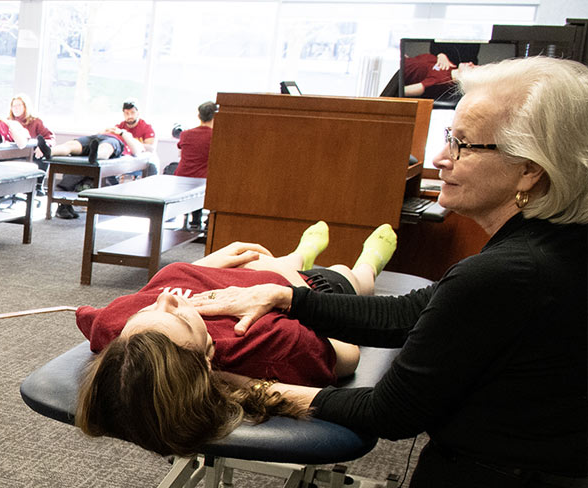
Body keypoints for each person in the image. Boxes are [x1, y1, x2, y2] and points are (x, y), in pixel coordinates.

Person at [192, 57, 588, 487]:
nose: (441, 157)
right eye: (449, 138)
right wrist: (286, 299)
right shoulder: (554, 244)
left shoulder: (510, 273)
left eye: (462, 145)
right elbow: (411, 313)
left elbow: (390, 412)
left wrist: (239, 385)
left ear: (530, 169)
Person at [75, 220, 398, 456]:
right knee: (349, 275)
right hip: (303, 290)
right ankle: (367, 261)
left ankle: (301, 252)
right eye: (179, 317)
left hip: (225, 271)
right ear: (208, 355)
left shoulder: (112, 327)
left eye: (143, 315)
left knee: (273, 258)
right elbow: (348, 353)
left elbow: (153, 292)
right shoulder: (272, 345)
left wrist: (196, 266)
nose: (165, 300)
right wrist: (282, 284)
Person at [36, 100, 150, 219]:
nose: (129, 116)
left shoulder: (127, 134)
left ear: (138, 113)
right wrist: (105, 131)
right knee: (72, 145)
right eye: (126, 113)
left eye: (132, 113)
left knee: (105, 147)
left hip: (113, 141)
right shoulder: (117, 126)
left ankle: (96, 154)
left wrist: (122, 133)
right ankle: (50, 151)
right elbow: (100, 134)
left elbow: (138, 150)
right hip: (97, 137)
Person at [174, 100, 217, 229]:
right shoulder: (216, 135)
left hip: (181, 177)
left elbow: (180, 155)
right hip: (204, 179)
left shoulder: (185, 134)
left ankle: (195, 219)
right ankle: (208, 221)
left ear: (199, 116)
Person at [9, 93, 55, 196]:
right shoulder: (9, 121)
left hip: (32, 153)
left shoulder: (36, 121)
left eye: (19, 105)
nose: (15, 108)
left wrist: (42, 146)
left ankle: (38, 185)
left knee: (43, 153)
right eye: (13, 106)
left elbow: (50, 137)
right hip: (13, 153)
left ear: (25, 107)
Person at [403, 53, 475, 100]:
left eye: (473, 68)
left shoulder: (442, 81)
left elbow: (405, 90)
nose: (471, 63)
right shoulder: (451, 66)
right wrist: (441, 55)